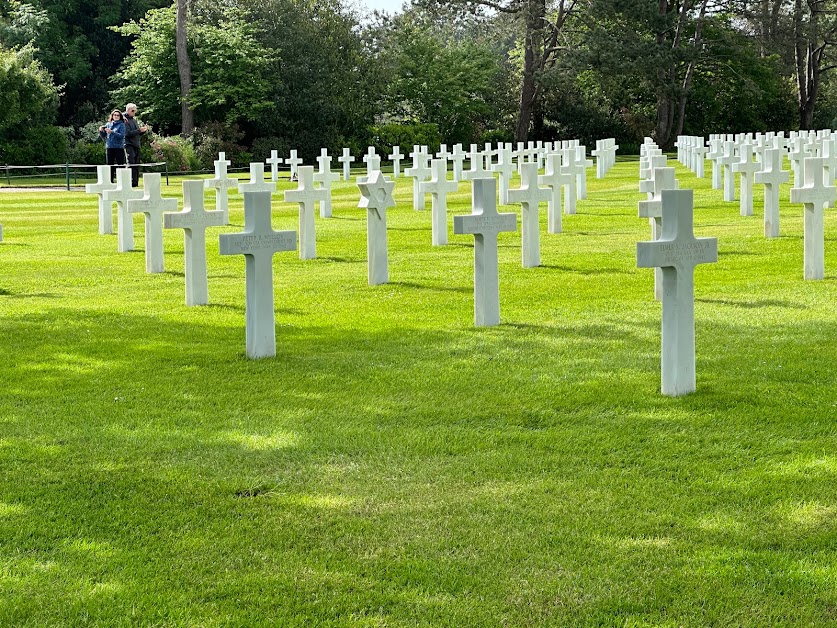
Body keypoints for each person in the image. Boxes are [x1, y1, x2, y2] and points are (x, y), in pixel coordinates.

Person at [123, 103, 150, 187]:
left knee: (136, 164)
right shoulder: (124, 120)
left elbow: (136, 133)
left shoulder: (134, 120)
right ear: (128, 110)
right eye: (133, 110)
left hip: (136, 144)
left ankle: (135, 182)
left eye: (135, 110)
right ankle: (129, 182)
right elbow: (127, 133)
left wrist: (143, 131)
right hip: (129, 144)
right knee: (131, 163)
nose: (134, 112)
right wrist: (139, 130)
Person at [98, 109, 126, 183]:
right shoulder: (108, 124)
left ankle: (122, 181)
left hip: (119, 147)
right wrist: (101, 131)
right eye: (114, 115)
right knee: (109, 165)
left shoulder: (121, 125)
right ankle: (110, 181)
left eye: (118, 115)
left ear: (120, 116)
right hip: (109, 147)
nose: (116, 116)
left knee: (120, 164)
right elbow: (103, 136)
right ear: (112, 116)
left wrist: (112, 132)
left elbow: (121, 136)